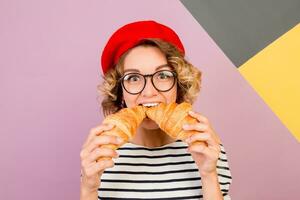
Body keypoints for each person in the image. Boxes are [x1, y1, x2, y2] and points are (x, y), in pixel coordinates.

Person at [80, 20, 232, 200]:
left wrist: (209, 175)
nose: (149, 92)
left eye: (163, 75)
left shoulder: (205, 145)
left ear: (179, 83)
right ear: (119, 90)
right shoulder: (101, 153)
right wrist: (88, 190)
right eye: (134, 78)